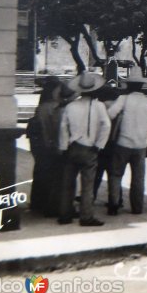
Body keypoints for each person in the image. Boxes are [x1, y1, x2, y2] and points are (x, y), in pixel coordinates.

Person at [58, 72, 111, 226]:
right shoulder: (99, 106)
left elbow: (63, 127)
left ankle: (65, 215)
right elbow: (106, 125)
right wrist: (99, 145)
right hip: (90, 148)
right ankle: (86, 216)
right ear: (94, 90)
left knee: (68, 183)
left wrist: (63, 145)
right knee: (87, 185)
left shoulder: (71, 105)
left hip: (72, 146)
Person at [105, 67, 147, 215]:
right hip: (140, 145)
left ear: (128, 85)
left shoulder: (123, 99)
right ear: (141, 86)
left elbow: (110, 115)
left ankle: (114, 204)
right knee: (138, 178)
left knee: (116, 174)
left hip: (122, 143)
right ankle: (137, 207)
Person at [28, 76, 72, 217]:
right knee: (54, 178)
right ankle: (50, 206)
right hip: (51, 146)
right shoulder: (53, 107)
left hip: (40, 146)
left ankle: (37, 203)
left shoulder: (42, 106)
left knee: (40, 175)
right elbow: (55, 129)